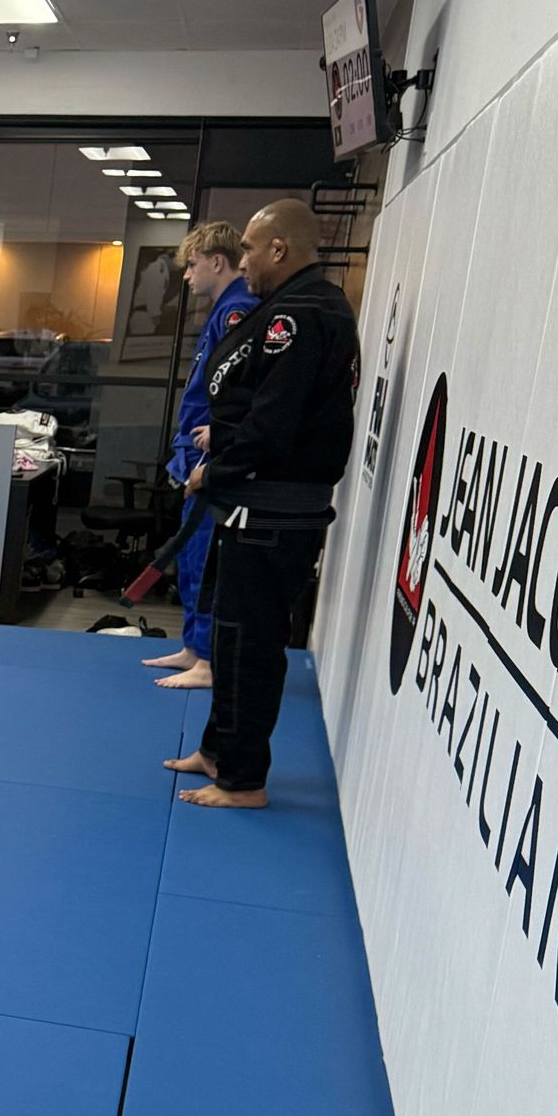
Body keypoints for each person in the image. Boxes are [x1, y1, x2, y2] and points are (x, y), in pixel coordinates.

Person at [166, 200, 358, 811]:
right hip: (252, 502)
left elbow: (272, 424)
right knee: (227, 638)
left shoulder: (302, 314)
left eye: (250, 248)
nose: (244, 258)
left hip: (272, 510)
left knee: (250, 646)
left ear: (278, 248)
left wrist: (212, 470)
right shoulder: (293, 306)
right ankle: (219, 749)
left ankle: (243, 780)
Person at [147, 221, 253, 692]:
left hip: (212, 454)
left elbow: (245, 388)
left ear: (216, 262)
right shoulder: (220, 313)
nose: (186, 276)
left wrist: (222, 432)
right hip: (194, 448)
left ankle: (208, 659)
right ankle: (193, 647)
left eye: (192, 265)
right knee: (191, 557)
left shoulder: (241, 312)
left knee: (206, 557)